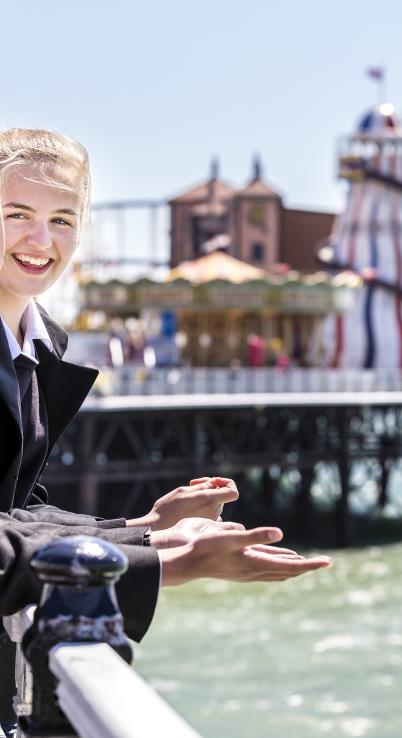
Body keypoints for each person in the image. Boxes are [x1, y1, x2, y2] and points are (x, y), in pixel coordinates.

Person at [0, 128, 331, 729]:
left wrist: (144, 527)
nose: (41, 240)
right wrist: (169, 561)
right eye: (16, 214)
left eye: (63, 219)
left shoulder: (37, 342)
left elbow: (14, 510)